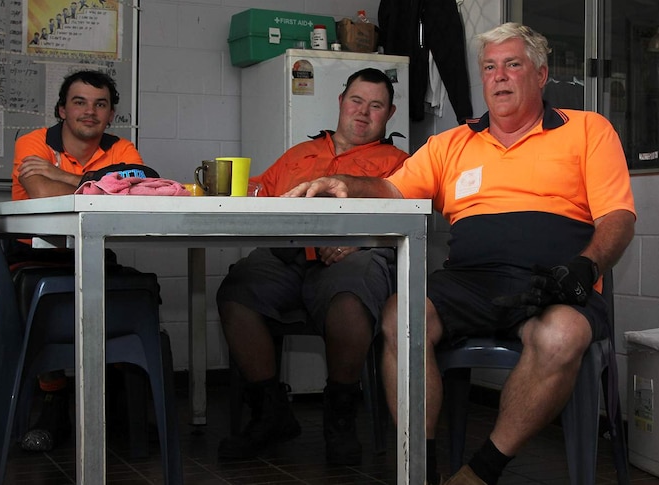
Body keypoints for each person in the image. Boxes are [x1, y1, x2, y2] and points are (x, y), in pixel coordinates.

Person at [284, 23, 636, 485]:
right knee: (399, 316)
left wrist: (585, 266)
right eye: (490, 67)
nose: (500, 77)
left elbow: (618, 218)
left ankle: (480, 472)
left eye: (513, 65)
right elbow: (393, 188)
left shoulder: (588, 130)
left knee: (561, 336)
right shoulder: (452, 144)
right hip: (470, 280)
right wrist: (348, 185)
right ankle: (422, 470)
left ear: (541, 74)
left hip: (554, 280)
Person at [215, 68, 409, 465]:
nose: (363, 112)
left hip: (353, 258)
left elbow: (412, 220)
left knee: (350, 299)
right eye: (356, 101)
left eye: (376, 106)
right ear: (340, 102)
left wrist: (358, 242)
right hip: (287, 255)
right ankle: (271, 412)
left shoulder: (399, 162)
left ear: (389, 114)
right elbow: (257, 191)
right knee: (237, 291)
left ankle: (340, 417)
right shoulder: (298, 154)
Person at [10, 69, 144, 451]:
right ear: (62, 110)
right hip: (36, 254)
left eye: (100, 104)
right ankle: (51, 397)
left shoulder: (122, 148)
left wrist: (60, 175)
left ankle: (118, 400)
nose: (90, 111)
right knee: (41, 305)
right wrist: (105, 183)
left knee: (141, 289)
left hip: (96, 250)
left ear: (111, 114)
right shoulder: (34, 141)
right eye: (79, 102)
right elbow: (39, 191)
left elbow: (142, 190)